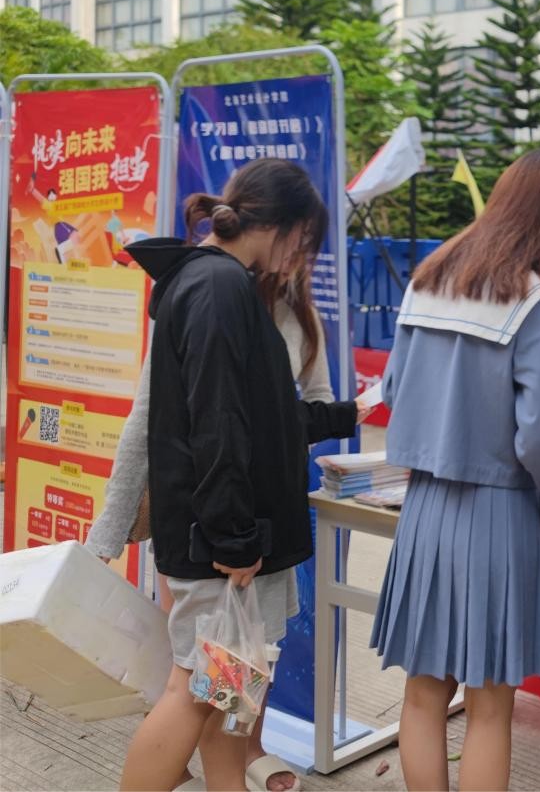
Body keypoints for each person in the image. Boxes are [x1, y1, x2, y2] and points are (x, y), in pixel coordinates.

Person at [117, 160, 363, 792]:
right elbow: (218, 423)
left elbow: (250, 414)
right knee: (195, 692)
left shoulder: (211, 279)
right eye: (304, 240)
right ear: (286, 226)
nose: (300, 257)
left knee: (228, 690)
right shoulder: (221, 286)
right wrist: (234, 538)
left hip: (228, 532)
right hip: (222, 539)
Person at [370, 149, 540, 792]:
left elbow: (393, 387)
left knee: (422, 694)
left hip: (425, 508)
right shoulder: (534, 295)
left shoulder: (430, 276)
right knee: (490, 706)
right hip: (500, 513)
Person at [87, 260, 335, 792]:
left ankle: (234, 772)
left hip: (262, 533)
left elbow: (311, 407)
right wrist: (108, 531)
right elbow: (146, 423)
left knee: (233, 684)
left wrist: (327, 419)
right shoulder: (206, 298)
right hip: (207, 535)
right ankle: (176, 765)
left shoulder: (298, 313)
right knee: (195, 687)